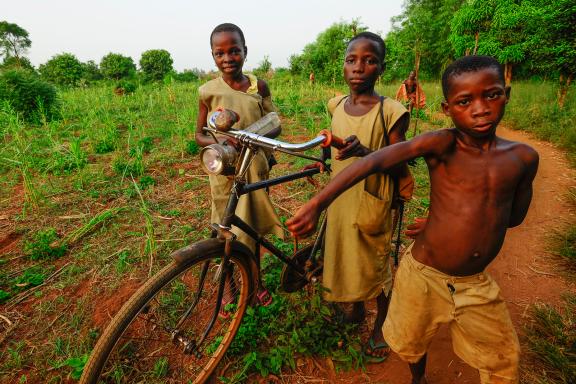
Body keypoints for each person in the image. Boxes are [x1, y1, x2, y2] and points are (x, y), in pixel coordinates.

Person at [287, 55, 539, 384]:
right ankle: (417, 379)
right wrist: (318, 203)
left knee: (502, 359)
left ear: (506, 94)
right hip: (423, 275)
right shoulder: (442, 143)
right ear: (447, 109)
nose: (480, 108)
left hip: (475, 283)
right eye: (465, 101)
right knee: (411, 342)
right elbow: (373, 161)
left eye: (491, 95)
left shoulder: (523, 158)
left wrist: (447, 224)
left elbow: (512, 217)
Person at [315, 31, 409, 363]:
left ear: (381, 69)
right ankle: (353, 309)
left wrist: (368, 152)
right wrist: (325, 157)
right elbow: (333, 138)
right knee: (344, 252)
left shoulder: (391, 112)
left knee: (375, 261)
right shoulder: (337, 104)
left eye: (369, 61)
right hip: (341, 196)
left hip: (373, 197)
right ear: (343, 66)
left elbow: (400, 164)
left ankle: (381, 324)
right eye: (351, 60)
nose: (359, 67)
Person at [196, 23, 283, 312]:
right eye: (220, 53)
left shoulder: (259, 87)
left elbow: (275, 123)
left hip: (254, 167)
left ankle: (256, 282)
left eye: (234, 51)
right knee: (224, 225)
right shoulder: (207, 92)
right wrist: (221, 139)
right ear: (212, 56)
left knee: (251, 226)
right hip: (224, 170)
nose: (228, 58)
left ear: (245, 51)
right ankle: (229, 283)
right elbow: (198, 134)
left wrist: (252, 137)